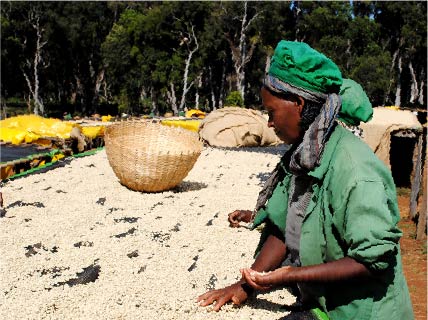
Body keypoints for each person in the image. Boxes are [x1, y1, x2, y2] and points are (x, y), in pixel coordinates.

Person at [197, 40, 414, 320]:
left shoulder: (355, 170)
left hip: (362, 312)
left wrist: (292, 275)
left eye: (271, 112)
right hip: (324, 303)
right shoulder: (303, 155)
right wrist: (245, 286)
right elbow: (283, 225)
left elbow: (372, 258)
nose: (269, 123)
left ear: (298, 104)